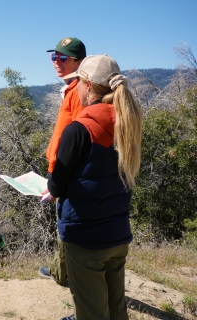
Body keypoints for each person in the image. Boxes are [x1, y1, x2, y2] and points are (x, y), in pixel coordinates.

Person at [46, 54, 142, 320]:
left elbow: (58, 183)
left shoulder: (79, 129)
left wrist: (50, 188)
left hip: (85, 237)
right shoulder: (127, 120)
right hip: (118, 232)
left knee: (91, 311)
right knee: (116, 308)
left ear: (87, 85)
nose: (75, 86)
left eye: (77, 81)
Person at [38, 37, 86, 287]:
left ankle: (66, 276)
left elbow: (78, 138)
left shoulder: (78, 91)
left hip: (68, 173)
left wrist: (60, 179)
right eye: (54, 57)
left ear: (79, 62)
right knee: (64, 225)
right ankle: (61, 271)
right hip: (60, 170)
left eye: (63, 58)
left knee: (68, 227)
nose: (57, 62)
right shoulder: (70, 89)